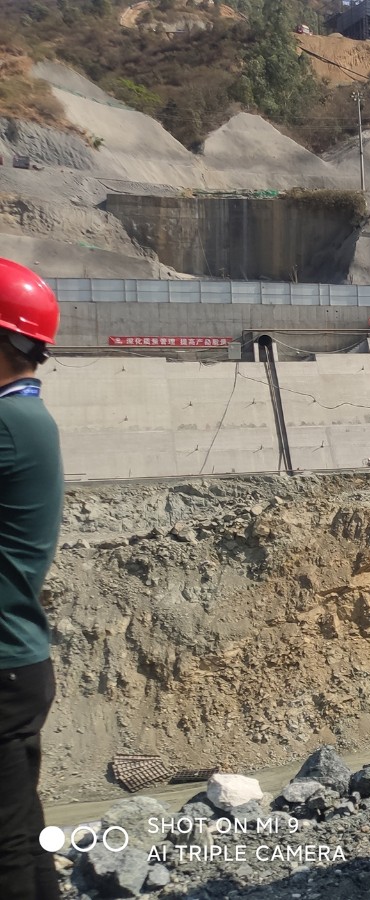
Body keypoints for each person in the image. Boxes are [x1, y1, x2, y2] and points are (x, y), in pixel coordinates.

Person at [0, 257, 64, 900]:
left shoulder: (9, 423)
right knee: (21, 833)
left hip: (3, 669)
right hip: (16, 664)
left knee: (7, 848)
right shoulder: (25, 417)